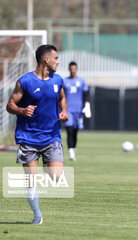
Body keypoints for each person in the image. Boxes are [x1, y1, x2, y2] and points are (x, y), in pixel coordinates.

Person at [6, 44, 68, 224]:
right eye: (56, 58)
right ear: (46, 60)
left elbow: (62, 98)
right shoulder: (24, 82)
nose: (58, 61)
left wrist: (63, 111)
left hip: (51, 136)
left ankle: (46, 163)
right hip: (28, 137)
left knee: (56, 177)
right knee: (30, 180)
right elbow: (10, 105)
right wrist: (22, 110)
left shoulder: (58, 80)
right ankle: (37, 215)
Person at [63, 61, 91, 161]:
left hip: (78, 111)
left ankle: (73, 149)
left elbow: (86, 94)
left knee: (75, 132)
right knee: (69, 130)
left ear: (77, 69)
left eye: (74, 69)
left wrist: (87, 105)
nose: (72, 71)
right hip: (68, 110)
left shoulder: (82, 81)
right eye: (71, 69)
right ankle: (71, 152)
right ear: (69, 69)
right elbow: (61, 96)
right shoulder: (64, 81)